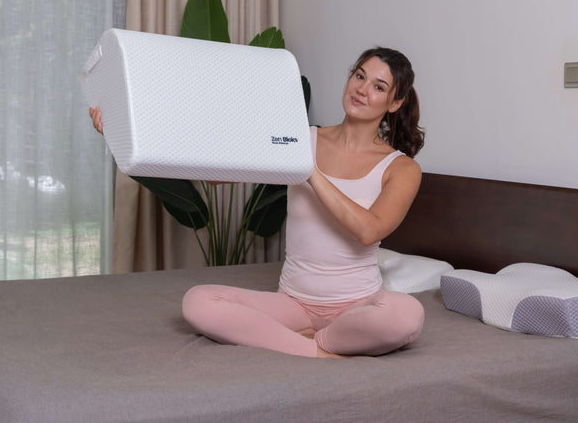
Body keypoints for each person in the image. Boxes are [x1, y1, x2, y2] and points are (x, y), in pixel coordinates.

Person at [91, 47, 425, 358]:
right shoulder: (299, 138)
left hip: (359, 305)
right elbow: (217, 176)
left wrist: (308, 171)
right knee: (198, 302)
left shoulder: (401, 168)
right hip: (294, 304)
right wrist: (122, 131)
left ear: (395, 103)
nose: (363, 89)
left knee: (407, 315)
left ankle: (315, 339)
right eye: (360, 76)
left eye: (379, 87)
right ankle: (318, 350)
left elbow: (369, 231)